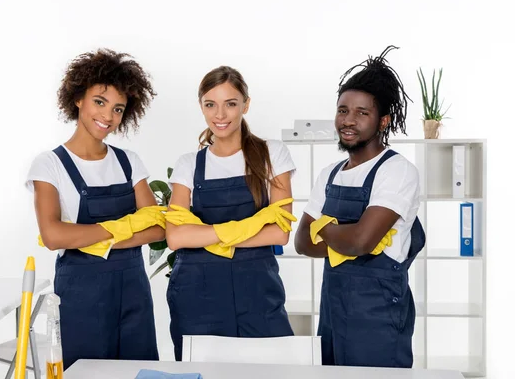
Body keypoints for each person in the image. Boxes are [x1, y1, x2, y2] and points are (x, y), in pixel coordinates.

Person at [26, 49, 164, 369]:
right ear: (78, 99)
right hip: (80, 295)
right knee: (82, 372)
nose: (108, 116)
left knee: (137, 372)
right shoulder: (49, 165)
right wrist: (126, 226)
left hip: (133, 292)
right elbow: (53, 234)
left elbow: (157, 228)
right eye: (99, 102)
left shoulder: (129, 162)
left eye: (118, 108)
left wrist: (90, 237)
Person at [294, 46, 426, 368]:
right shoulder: (330, 174)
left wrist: (323, 226)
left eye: (361, 113)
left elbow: (361, 241)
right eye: (342, 110)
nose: (348, 121)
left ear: (383, 121)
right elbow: (301, 243)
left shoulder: (397, 170)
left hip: (377, 316)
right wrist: (345, 236)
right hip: (332, 311)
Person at [164, 65, 297, 361]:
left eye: (230, 104)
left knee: (272, 368)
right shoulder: (188, 164)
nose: (220, 115)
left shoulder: (271, 154)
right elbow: (175, 237)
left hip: (257, 289)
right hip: (197, 292)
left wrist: (205, 236)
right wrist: (247, 229)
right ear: (201, 107)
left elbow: (279, 232)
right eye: (210, 104)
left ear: (245, 105)